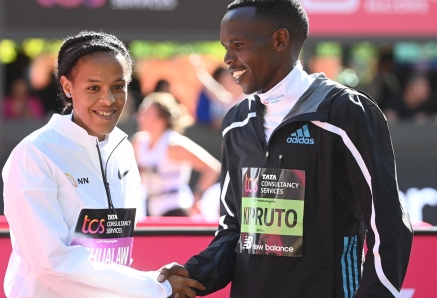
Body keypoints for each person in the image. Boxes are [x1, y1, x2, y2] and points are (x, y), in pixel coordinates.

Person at [158, 1, 413, 298]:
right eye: (226, 46)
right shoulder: (237, 123)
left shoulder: (344, 112)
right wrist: (194, 273)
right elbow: (235, 232)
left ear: (280, 40)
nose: (228, 58)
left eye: (238, 45)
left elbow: (388, 225)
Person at [2, 31, 204, 298]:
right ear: (67, 86)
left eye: (118, 86)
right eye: (93, 87)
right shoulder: (35, 154)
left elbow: (114, 256)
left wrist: (151, 282)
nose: (108, 99)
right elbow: (54, 264)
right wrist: (155, 286)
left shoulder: (123, 150)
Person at [132, 92, 221, 217]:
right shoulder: (138, 143)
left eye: (145, 113)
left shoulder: (173, 145)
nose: (139, 117)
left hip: (176, 209)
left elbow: (212, 168)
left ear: (161, 120)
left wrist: (197, 198)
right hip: (151, 211)